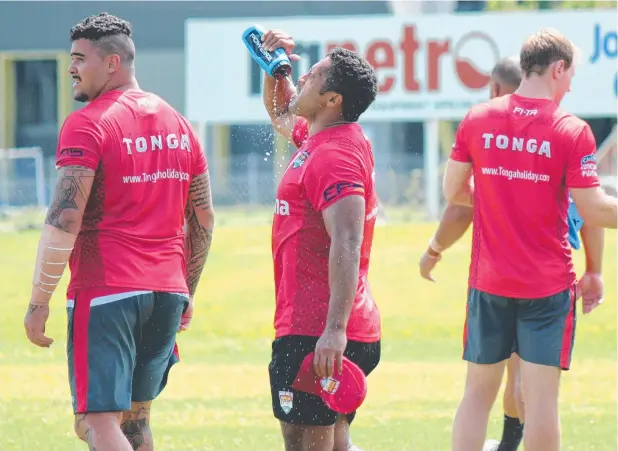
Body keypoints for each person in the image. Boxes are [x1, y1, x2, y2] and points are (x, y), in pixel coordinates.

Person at [22, 13, 215, 451]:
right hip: (167, 291)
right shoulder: (181, 125)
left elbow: (64, 218)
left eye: (78, 59)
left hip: (107, 290)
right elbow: (202, 220)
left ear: (112, 63)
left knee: (97, 422)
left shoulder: (88, 122)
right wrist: (187, 292)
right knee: (135, 421)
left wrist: (39, 300)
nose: (71, 68)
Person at [419, 56, 606, 451]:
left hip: (489, 281)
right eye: (571, 73)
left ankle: (504, 444)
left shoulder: (479, 118)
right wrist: (594, 269)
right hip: (547, 286)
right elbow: (591, 212)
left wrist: (492, 197)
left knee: (476, 396)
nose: (571, 84)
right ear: (557, 68)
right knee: (539, 402)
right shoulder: (571, 130)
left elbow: (453, 195)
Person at [260, 29, 381, 451]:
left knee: (306, 444)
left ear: (333, 100)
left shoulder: (335, 154)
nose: (302, 79)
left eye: (311, 76)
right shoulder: (319, 138)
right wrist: (274, 65)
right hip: (314, 323)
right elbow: (281, 111)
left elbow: (347, 240)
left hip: (321, 328)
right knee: (330, 440)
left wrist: (334, 330)